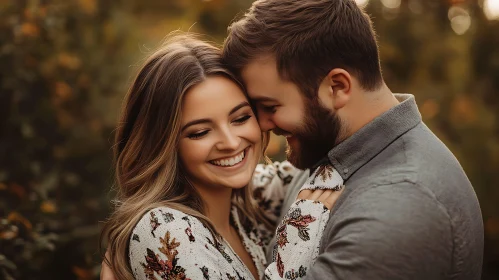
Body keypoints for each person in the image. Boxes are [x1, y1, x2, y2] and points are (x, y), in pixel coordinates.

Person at [221, 0, 484, 279]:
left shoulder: (398, 208)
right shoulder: (333, 151)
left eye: (271, 107)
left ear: (337, 87)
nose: (261, 124)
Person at [100, 34, 344, 280]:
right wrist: (301, 233)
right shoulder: (165, 228)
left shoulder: (243, 204)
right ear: (164, 144)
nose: (230, 143)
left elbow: (326, 164)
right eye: (200, 132)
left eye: (240, 118)